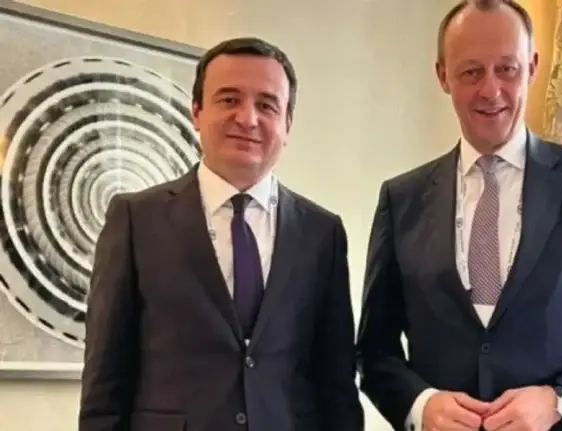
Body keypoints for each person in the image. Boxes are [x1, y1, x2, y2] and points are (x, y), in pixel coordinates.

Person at [355, 1, 562, 430]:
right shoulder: (401, 199)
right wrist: (421, 405)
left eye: (507, 69)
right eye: (471, 72)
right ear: (443, 76)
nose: (491, 90)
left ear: (533, 67)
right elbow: (374, 350)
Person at [78, 37, 364, 431]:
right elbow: (105, 380)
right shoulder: (136, 219)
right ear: (196, 111)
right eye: (229, 99)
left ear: (287, 124)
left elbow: (337, 384)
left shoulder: (322, 232)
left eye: (267, 105)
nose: (247, 118)